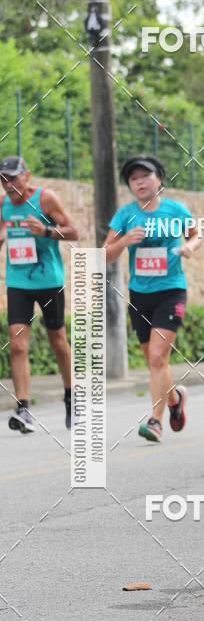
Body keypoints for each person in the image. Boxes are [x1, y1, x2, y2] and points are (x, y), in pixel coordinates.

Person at [103, 155, 201, 443]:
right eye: (134, 178)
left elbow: (196, 236)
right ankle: (174, 399)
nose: (140, 182)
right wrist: (123, 241)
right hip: (140, 295)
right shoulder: (125, 215)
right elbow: (104, 254)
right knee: (155, 364)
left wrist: (189, 247)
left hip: (171, 291)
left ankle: (155, 421)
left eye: (145, 176)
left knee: (159, 357)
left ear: (159, 178)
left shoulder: (175, 210)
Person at [0, 156, 79, 433]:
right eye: (3, 179)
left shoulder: (46, 199)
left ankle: (72, 400)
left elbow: (73, 231)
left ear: (27, 175)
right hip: (18, 281)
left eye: (13, 178)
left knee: (57, 340)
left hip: (48, 280)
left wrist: (45, 230)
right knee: (18, 345)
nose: (9, 185)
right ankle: (23, 409)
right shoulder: (3, 204)